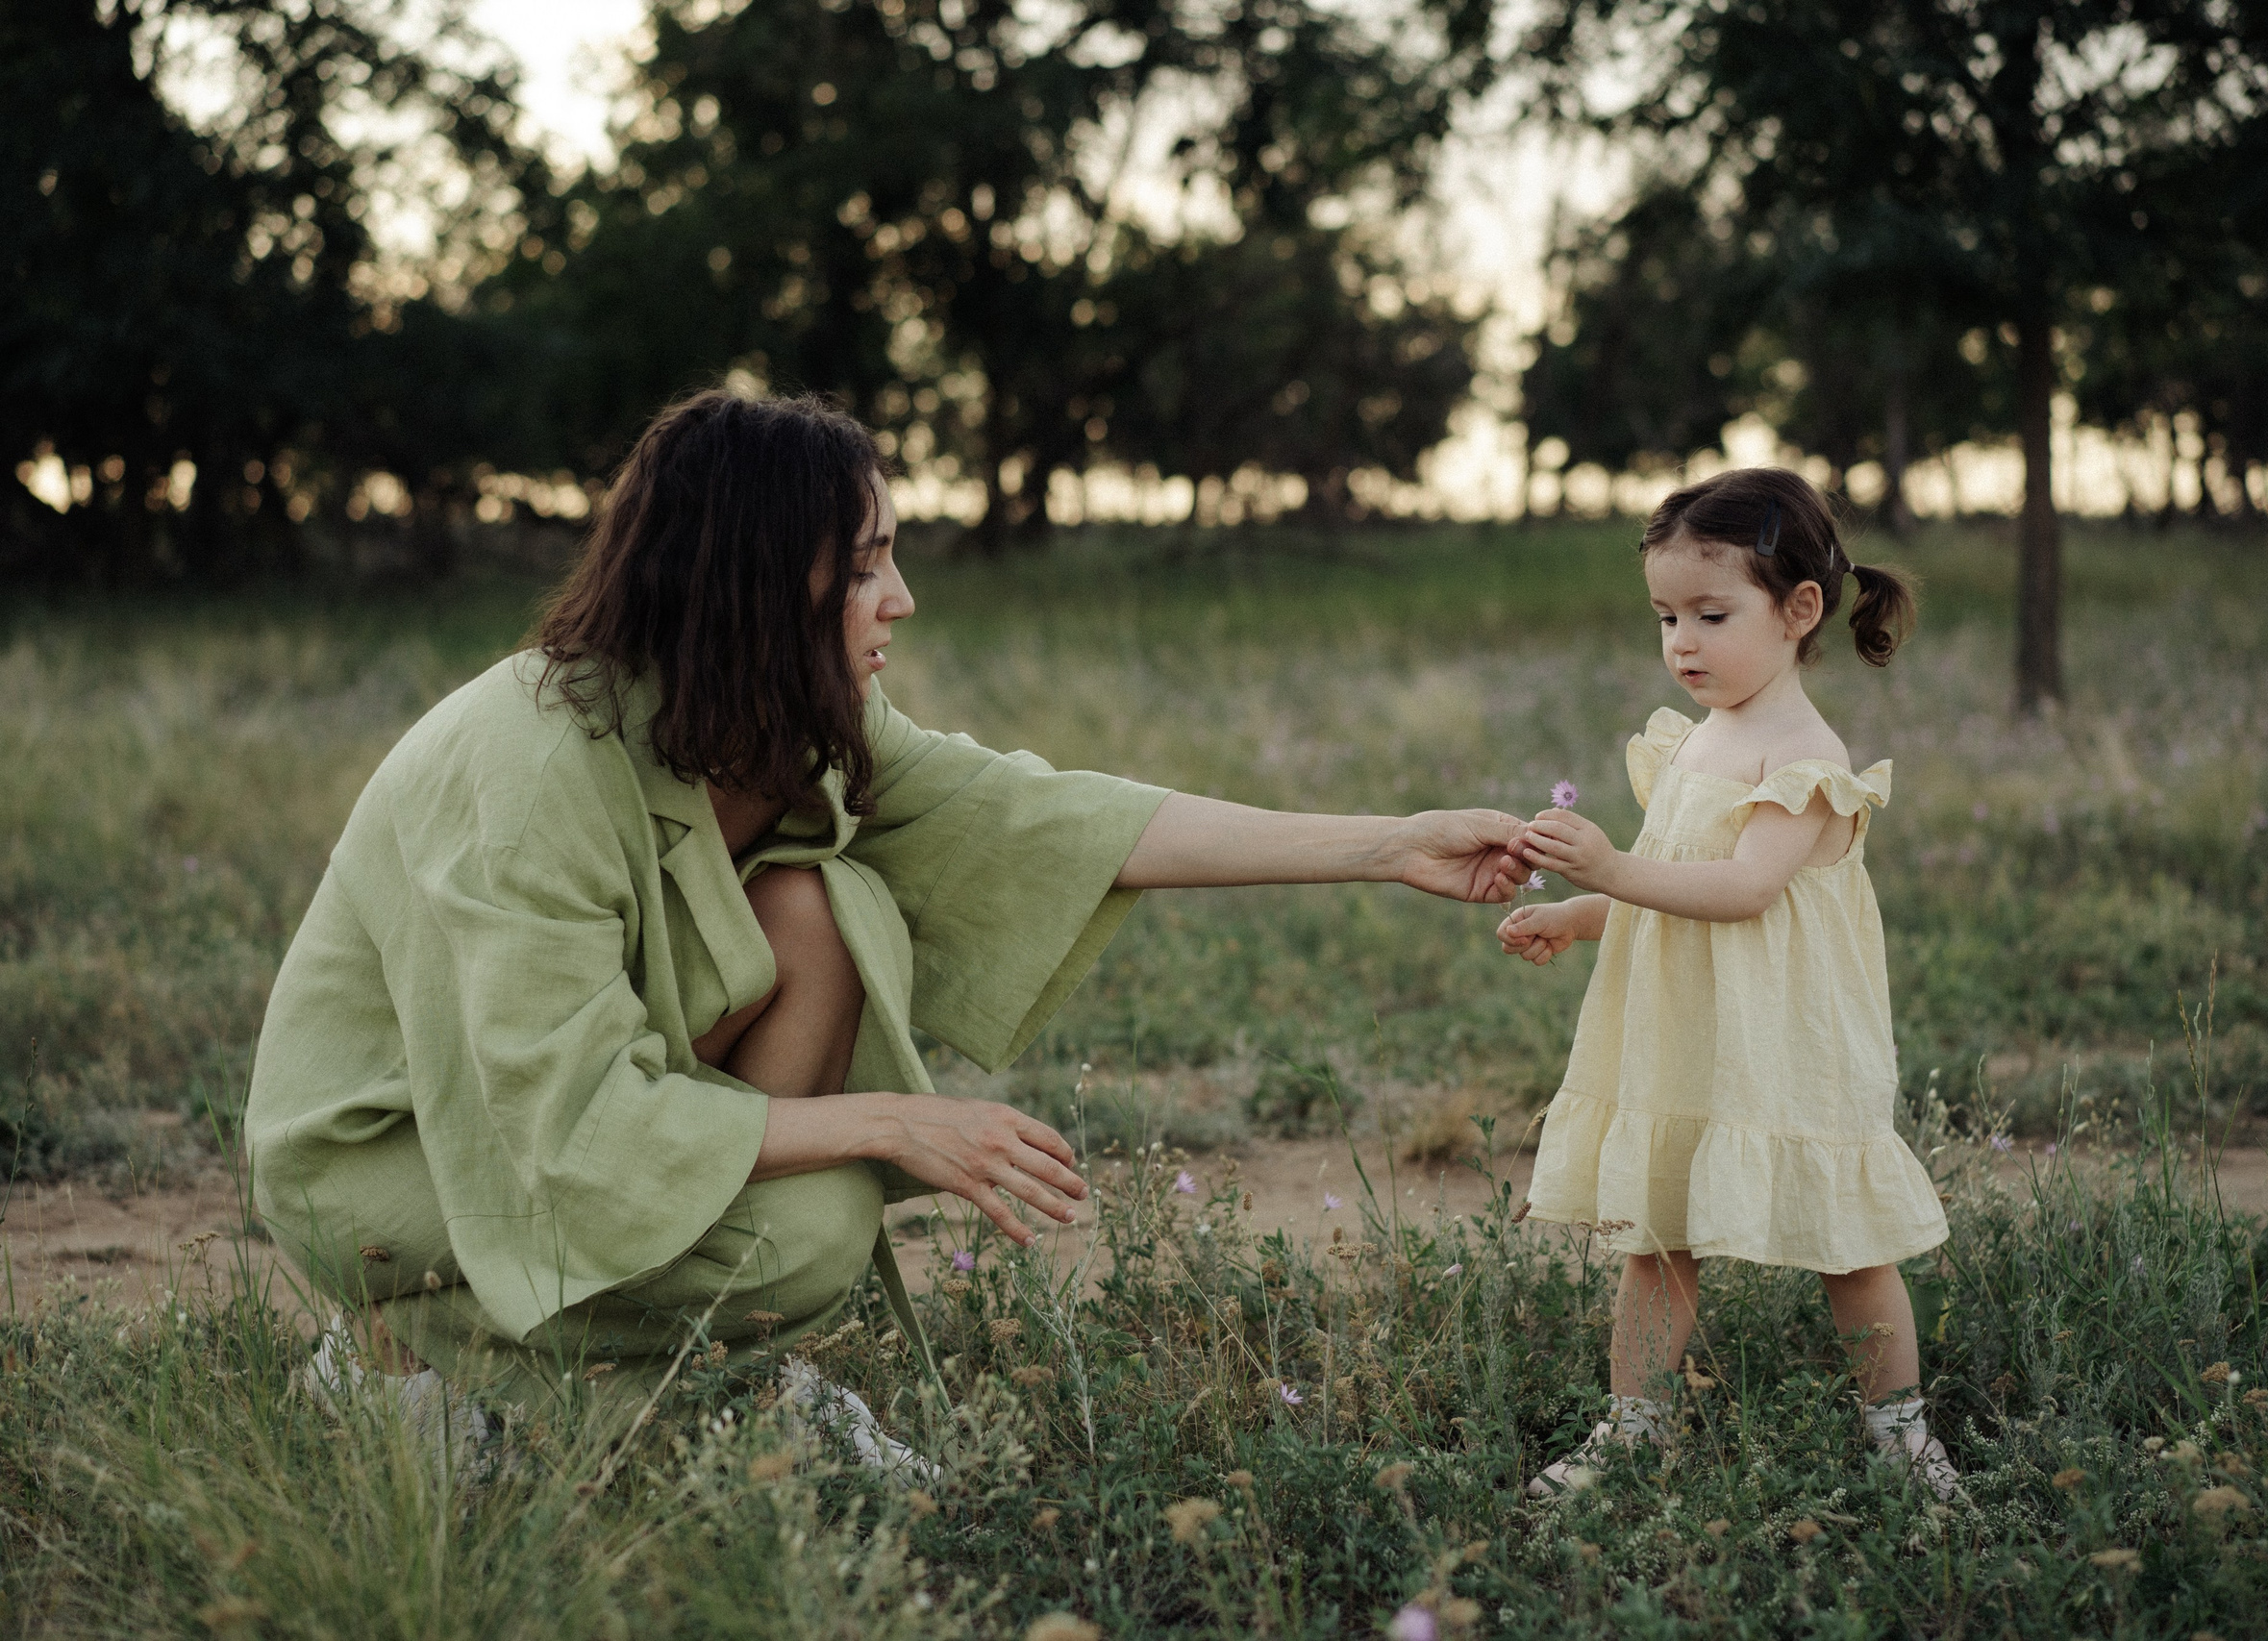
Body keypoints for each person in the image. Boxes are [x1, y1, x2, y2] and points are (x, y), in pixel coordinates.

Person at [245, 388, 1529, 1438]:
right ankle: (425, 1373)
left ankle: (657, 1388)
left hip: (583, 1133)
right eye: (865, 566)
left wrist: (1387, 841)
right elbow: (566, 1121)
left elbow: (1058, 817)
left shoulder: (777, 720)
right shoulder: (531, 765)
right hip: (400, 1157)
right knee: (812, 1227)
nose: (901, 598)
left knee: (820, 900)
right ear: (756, 581)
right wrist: (899, 1121)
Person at [1496, 467, 1956, 1500]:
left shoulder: (1801, 754)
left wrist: (1610, 868)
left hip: (1784, 1037)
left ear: (1798, 612)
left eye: (1711, 614)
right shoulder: (1700, 738)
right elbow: (1677, 875)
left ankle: (1900, 1435)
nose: (1682, 644)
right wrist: (1584, 913)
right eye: (1664, 617)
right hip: (1688, 1033)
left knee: (1847, 1242)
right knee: (1657, 1237)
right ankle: (1635, 1427)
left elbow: (1743, 889)